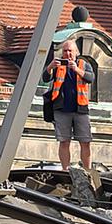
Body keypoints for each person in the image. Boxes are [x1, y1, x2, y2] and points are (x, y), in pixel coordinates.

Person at [41, 42, 93, 172]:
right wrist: (49, 67)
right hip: (61, 109)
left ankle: (87, 171)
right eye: (65, 51)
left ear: (76, 52)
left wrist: (76, 70)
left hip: (80, 109)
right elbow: (45, 78)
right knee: (64, 141)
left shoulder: (83, 64)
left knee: (85, 141)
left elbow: (90, 78)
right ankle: (66, 170)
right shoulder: (58, 66)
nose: (67, 54)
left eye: (70, 51)